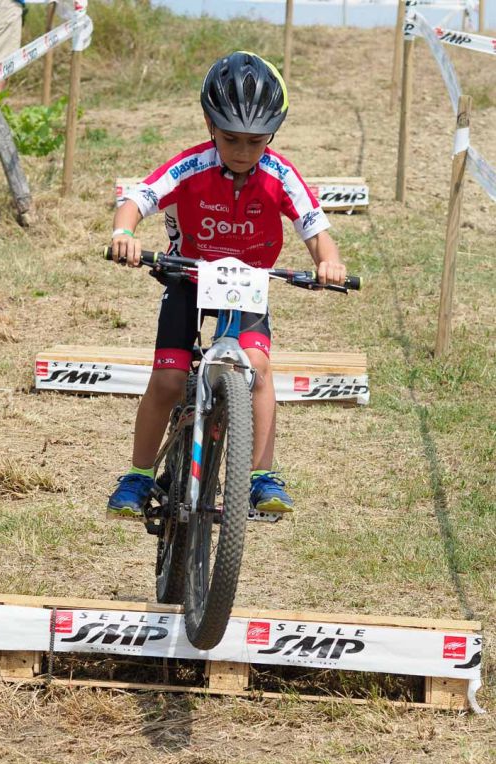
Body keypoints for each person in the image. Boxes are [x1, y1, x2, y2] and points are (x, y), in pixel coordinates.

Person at [107, 51, 346, 519]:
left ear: (272, 135)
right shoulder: (191, 165)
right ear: (209, 125)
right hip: (187, 278)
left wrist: (329, 263)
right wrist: (124, 233)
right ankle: (137, 475)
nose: (242, 151)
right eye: (231, 138)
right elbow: (137, 199)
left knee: (257, 368)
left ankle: (261, 476)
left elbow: (318, 233)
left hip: (247, 286)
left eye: (256, 141)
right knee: (169, 379)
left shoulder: (280, 175)